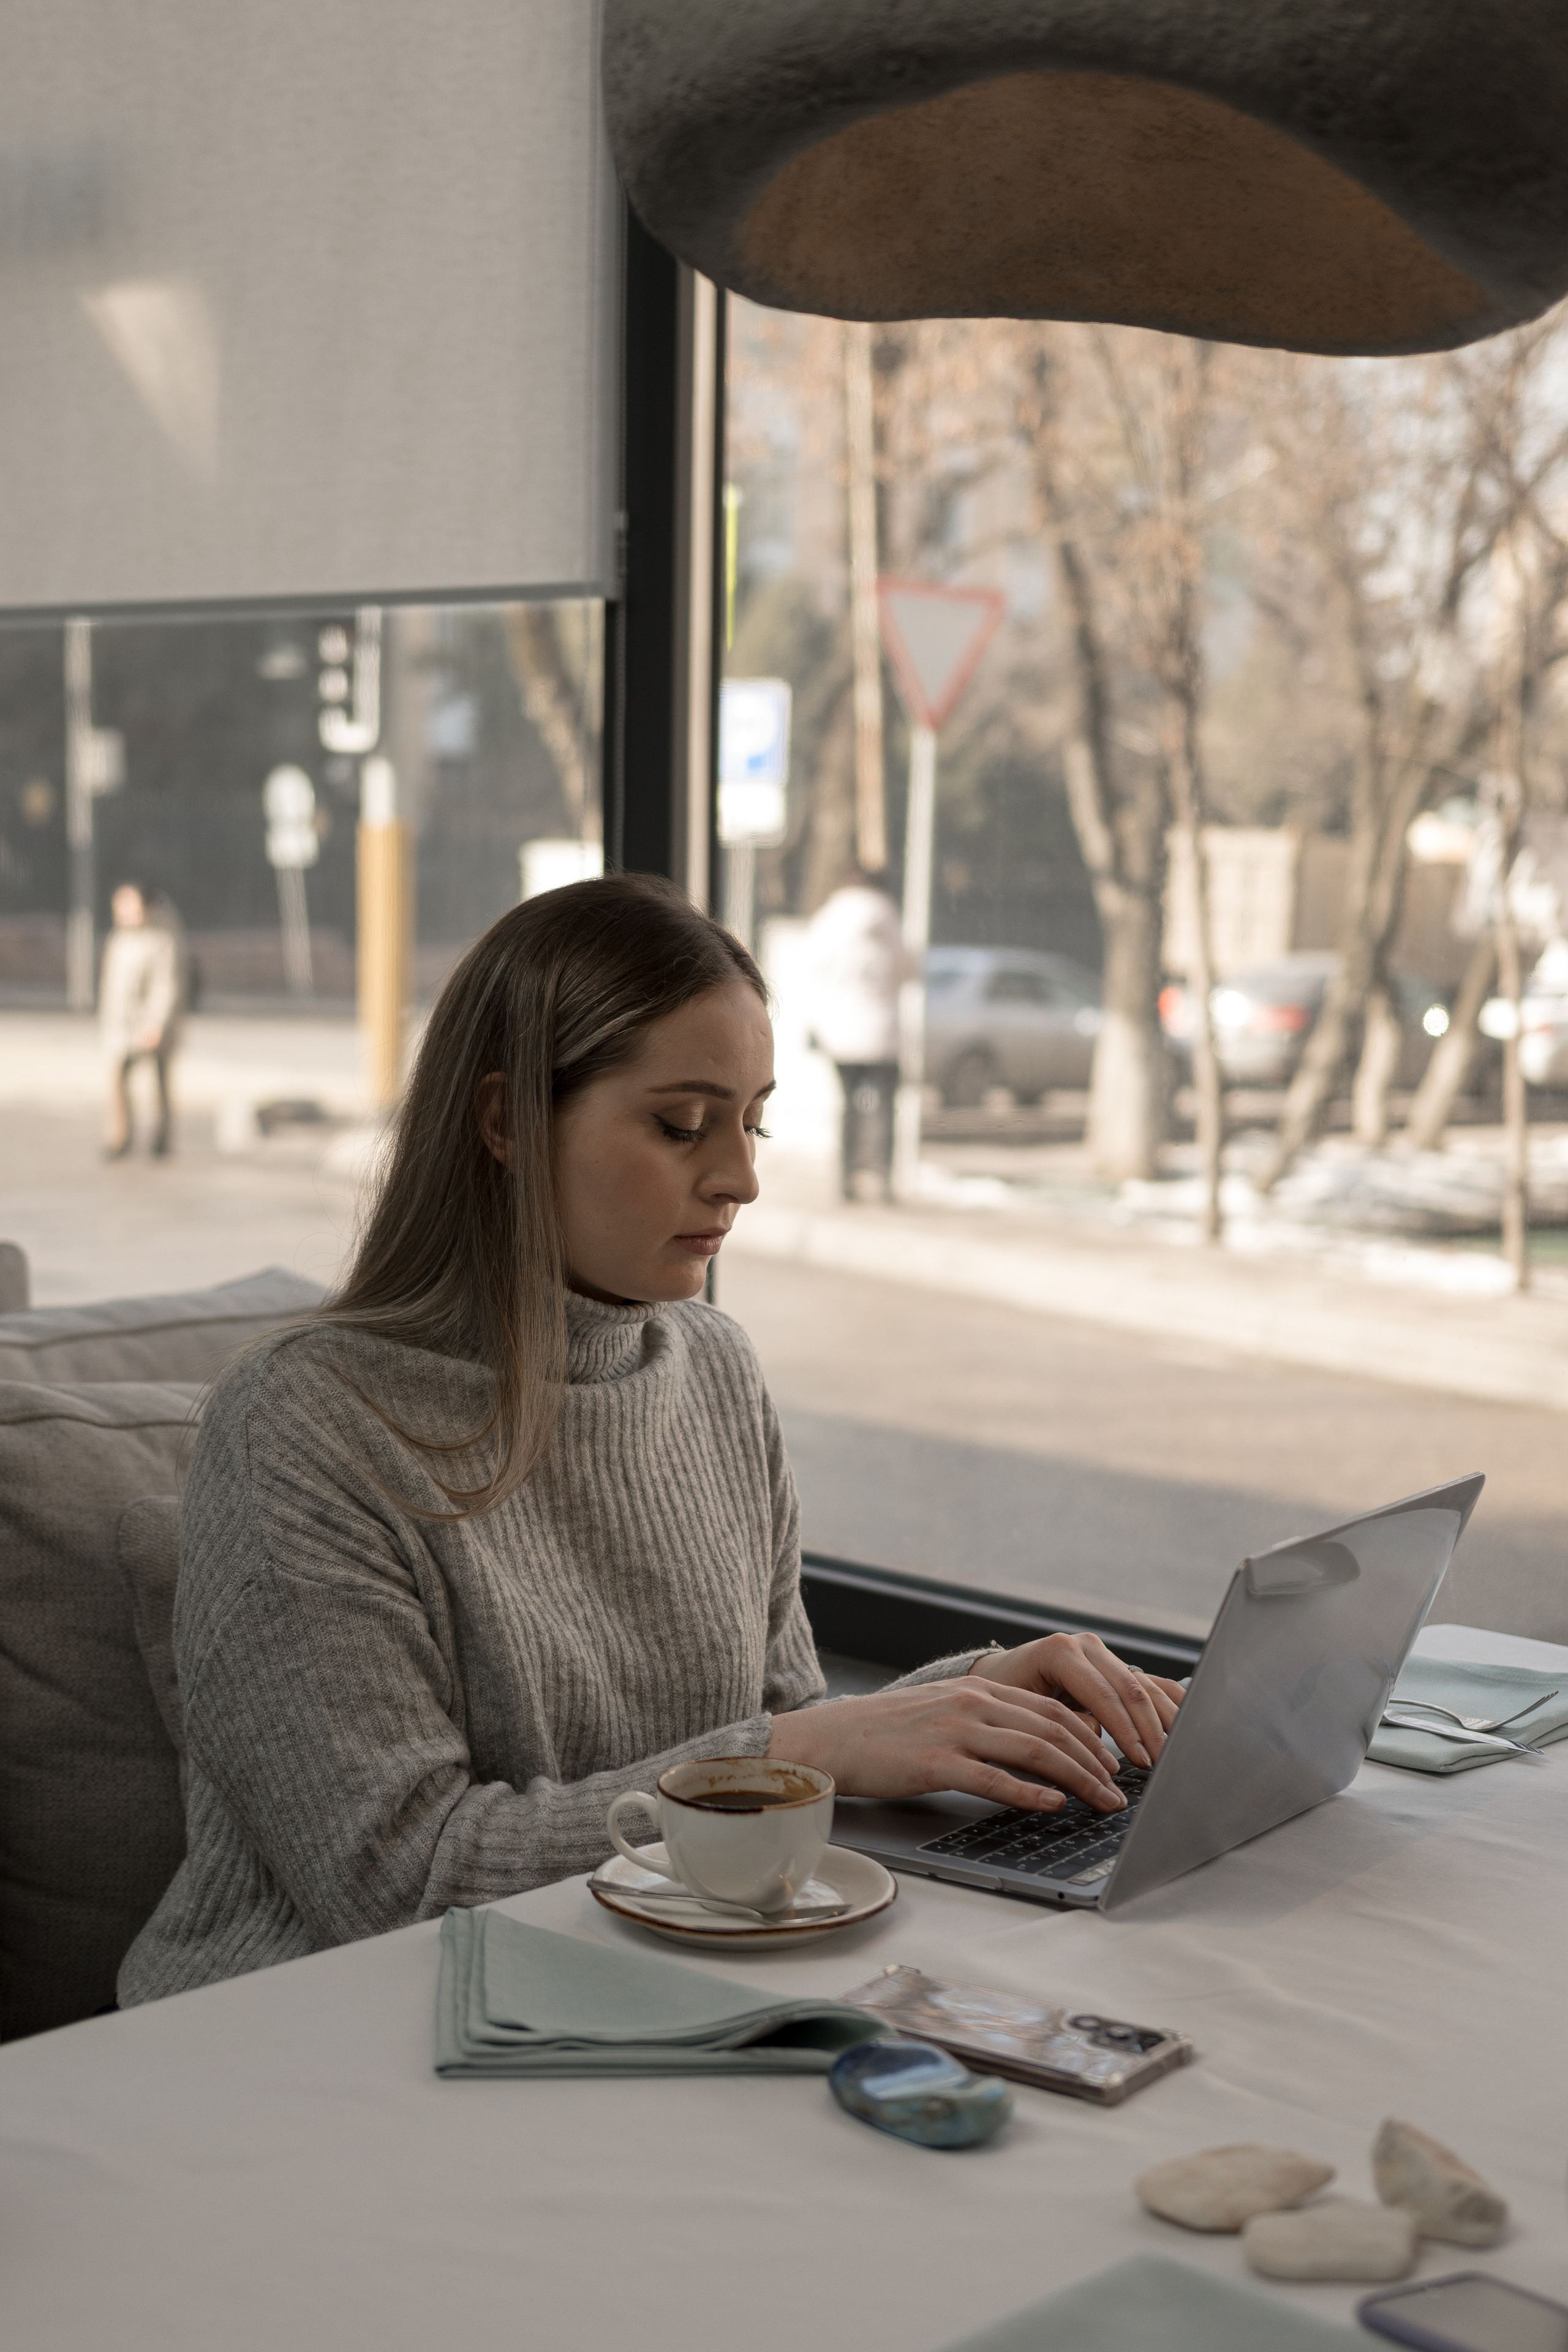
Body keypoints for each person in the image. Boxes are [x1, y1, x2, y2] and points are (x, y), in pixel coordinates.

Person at [119, 876, 1180, 2003]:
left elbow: (771, 1743)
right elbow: (396, 1882)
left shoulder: (715, 1370)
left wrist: (974, 1701)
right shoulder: (303, 1427)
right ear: (504, 1123)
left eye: (754, 1118)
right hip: (316, 2038)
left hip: (640, 1993)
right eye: (681, 1125)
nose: (743, 1178)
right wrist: (798, 1753)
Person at [804, 867, 916, 1200]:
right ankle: (881, 1181)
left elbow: (812, 972)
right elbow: (908, 969)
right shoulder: (889, 919)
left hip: (840, 1034)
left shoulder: (828, 919)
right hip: (882, 1034)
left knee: (848, 1107)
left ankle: (845, 1180)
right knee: (883, 1108)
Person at [100, 882, 186, 1159]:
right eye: (119, 904)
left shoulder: (162, 940)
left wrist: (156, 1025)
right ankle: (120, 1138)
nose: (123, 911)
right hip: (120, 1027)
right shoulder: (118, 939)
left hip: (151, 1027)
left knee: (159, 1082)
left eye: (129, 905)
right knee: (117, 1080)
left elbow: (166, 986)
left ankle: (162, 1139)